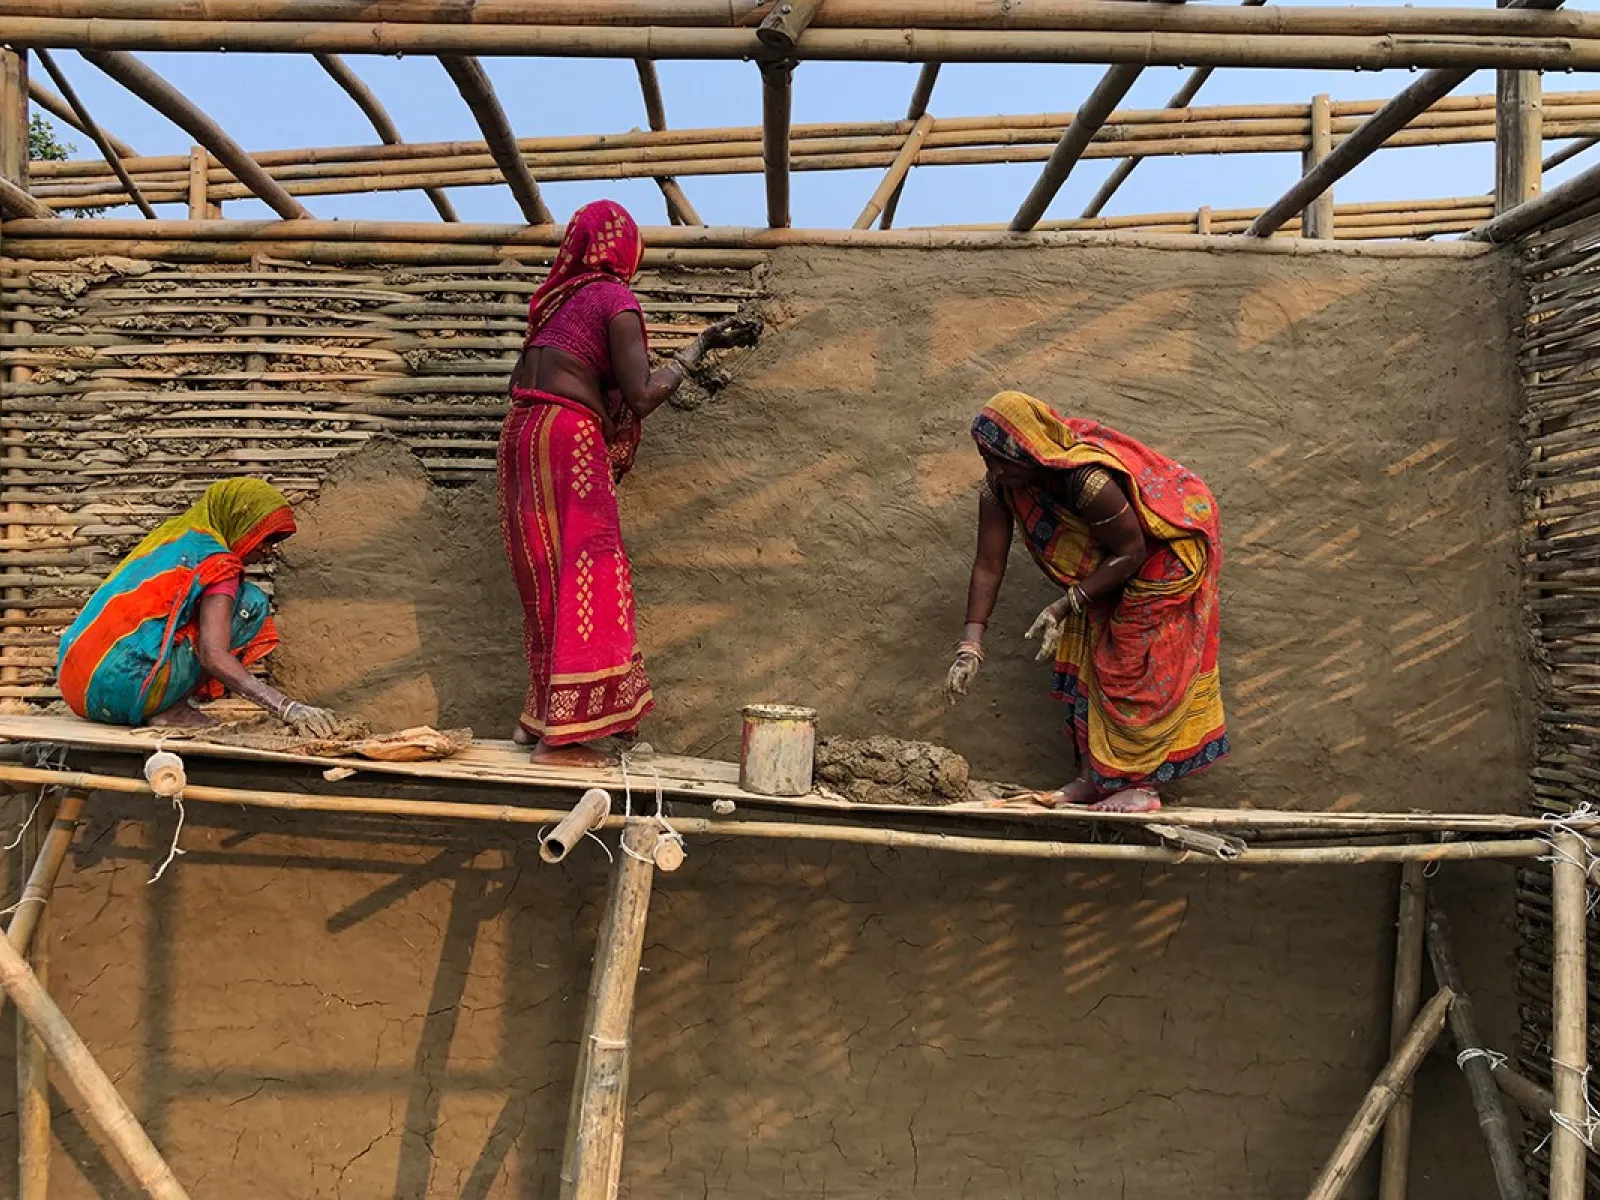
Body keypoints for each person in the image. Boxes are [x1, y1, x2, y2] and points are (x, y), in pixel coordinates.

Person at [499, 199, 741, 764]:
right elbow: (642, 395)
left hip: (521, 437)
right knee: (592, 575)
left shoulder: (554, 306)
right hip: (567, 439)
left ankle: (537, 719)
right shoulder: (613, 298)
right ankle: (566, 739)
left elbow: (551, 374)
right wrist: (697, 349)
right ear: (624, 249)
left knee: (548, 579)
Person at [945, 391, 1228, 813]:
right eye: (987, 460)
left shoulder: (1085, 479)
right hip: (1110, 560)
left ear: (1030, 453)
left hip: (1164, 556)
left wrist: (1064, 604)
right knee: (1083, 647)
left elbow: (1132, 552)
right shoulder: (1000, 487)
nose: (995, 471)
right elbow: (988, 565)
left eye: (1002, 461)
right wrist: (971, 646)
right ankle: (1094, 779)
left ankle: (1141, 787)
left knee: (1125, 661)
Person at [57, 477, 337, 735]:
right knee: (251, 602)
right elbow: (212, 655)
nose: (268, 551)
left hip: (78, 688)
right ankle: (170, 708)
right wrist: (288, 708)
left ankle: (162, 699)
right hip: (126, 694)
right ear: (241, 520)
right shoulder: (218, 562)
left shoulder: (171, 538)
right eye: (267, 538)